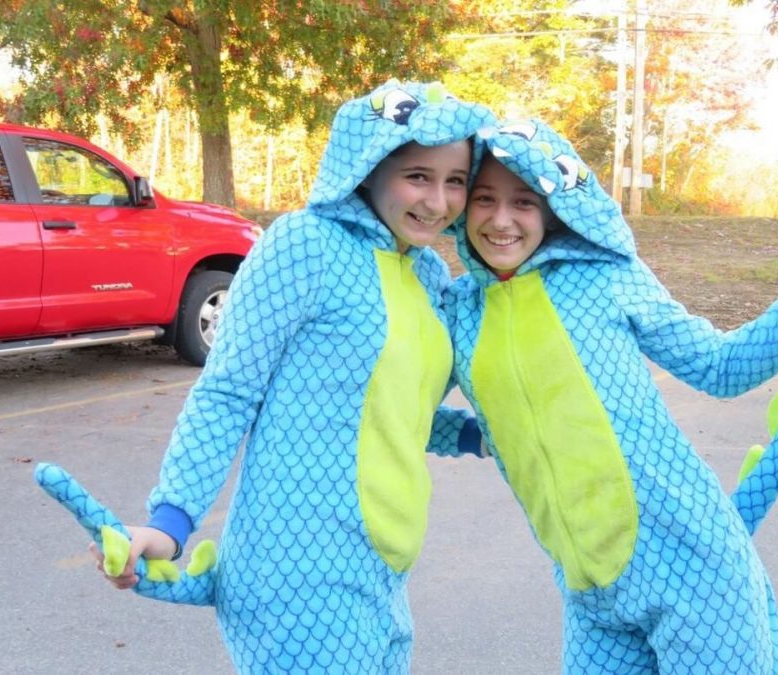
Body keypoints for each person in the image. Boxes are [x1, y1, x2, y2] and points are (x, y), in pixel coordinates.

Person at [443, 118, 778, 674]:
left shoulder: (603, 278)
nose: (502, 219)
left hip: (697, 571)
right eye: (485, 198)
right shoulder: (458, 312)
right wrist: (488, 434)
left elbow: (720, 367)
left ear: (554, 210)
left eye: (524, 202)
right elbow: (405, 411)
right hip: (589, 591)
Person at [87, 81, 494, 674]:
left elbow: (388, 411)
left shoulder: (426, 273)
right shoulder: (305, 245)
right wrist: (171, 523)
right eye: (417, 176)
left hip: (382, 567)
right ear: (368, 167)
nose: (438, 201)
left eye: (455, 180)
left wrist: (481, 435)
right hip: (299, 569)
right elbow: (228, 392)